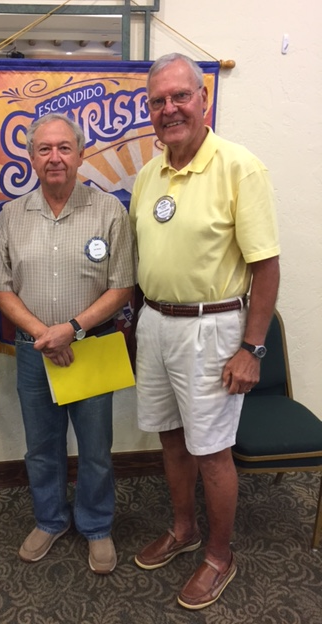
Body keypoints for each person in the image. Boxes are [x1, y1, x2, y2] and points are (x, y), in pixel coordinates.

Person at [129, 53, 280, 609]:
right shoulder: (148, 175)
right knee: (170, 436)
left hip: (212, 328)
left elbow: (266, 267)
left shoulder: (240, 167)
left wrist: (252, 348)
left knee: (212, 450)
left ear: (203, 98)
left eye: (180, 96)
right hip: (155, 323)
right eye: (158, 101)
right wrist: (139, 326)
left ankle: (219, 555)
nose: (169, 109)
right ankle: (183, 528)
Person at [0, 113, 135, 574]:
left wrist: (70, 328)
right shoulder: (11, 215)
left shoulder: (109, 210)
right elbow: (1, 289)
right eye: (44, 149)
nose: (55, 157)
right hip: (34, 353)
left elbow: (122, 286)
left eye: (64, 148)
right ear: (31, 158)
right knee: (41, 446)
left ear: (81, 154)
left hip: (91, 346)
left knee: (95, 448)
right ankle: (50, 520)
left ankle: (96, 525)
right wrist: (44, 334)